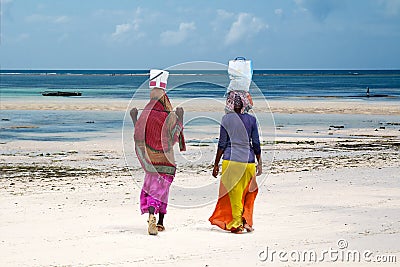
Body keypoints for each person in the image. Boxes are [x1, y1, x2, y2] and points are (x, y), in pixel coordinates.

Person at [130, 69, 185, 235]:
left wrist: (134, 117)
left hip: (151, 160)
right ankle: (159, 221)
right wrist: (181, 118)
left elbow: (139, 135)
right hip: (167, 161)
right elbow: (175, 136)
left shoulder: (146, 113)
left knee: (153, 189)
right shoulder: (169, 114)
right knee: (163, 190)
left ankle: (152, 216)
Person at [209, 94, 262, 234]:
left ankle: (238, 223)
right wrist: (259, 162)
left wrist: (216, 164)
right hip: (248, 161)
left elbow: (222, 144)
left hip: (231, 161)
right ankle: (246, 220)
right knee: (249, 192)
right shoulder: (251, 120)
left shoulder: (226, 119)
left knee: (236, 194)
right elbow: (256, 143)